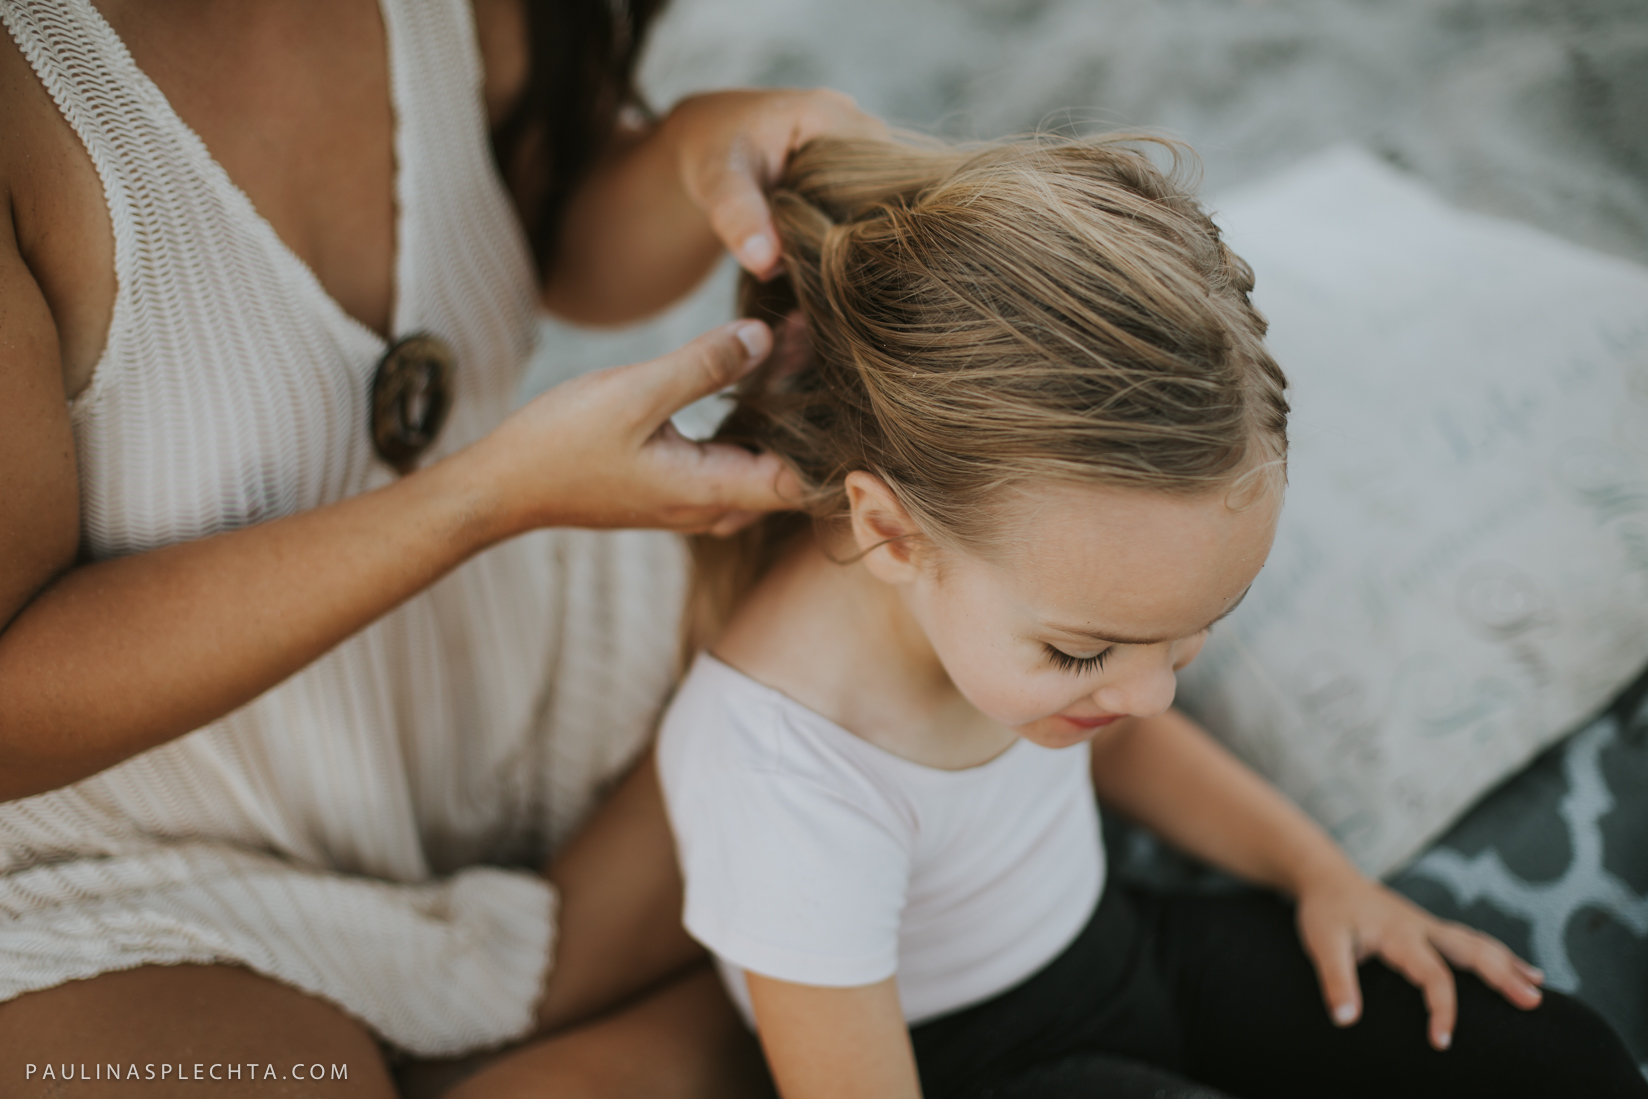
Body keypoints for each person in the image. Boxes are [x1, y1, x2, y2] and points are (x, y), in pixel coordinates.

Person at [0, 0, 881, 1095]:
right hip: (124, 868)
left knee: (910, 585)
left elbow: (553, 238)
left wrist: (701, 152)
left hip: (539, 681)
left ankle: (506, 1005)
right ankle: (572, 1005)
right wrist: (485, 498)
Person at [655, 134, 1648, 1098]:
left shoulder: (1019, 623)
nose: (1151, 692)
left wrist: (1321, 876)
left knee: (1561, 1062)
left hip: (1133, 950)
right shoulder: (781, 771)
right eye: (1082, 651)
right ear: (892, 531)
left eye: (1187, 633)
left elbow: (1119, 744)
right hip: (990, 1068)